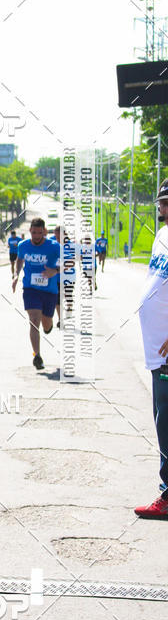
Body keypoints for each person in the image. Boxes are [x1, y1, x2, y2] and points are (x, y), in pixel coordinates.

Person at [135, 179, 168, 520]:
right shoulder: (162, 236)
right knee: (163, 417)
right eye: (161, 203)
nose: (162, 209)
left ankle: (167, 493)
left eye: (167, 203)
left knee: (167, 420)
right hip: (157, 350)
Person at [12, 217, 60, 370]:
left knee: (46, 323)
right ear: (30, 231)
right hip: (30, 289)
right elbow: (20, 260)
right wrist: (16, 275)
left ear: (44, 232)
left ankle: (49, 326)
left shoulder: (54, 246)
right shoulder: (23, 245)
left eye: (40, 233)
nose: (37, 236)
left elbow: (70, 260)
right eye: (34, 233)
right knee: (34, 320)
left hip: (49, 291)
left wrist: (55, 270)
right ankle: (37, 355)